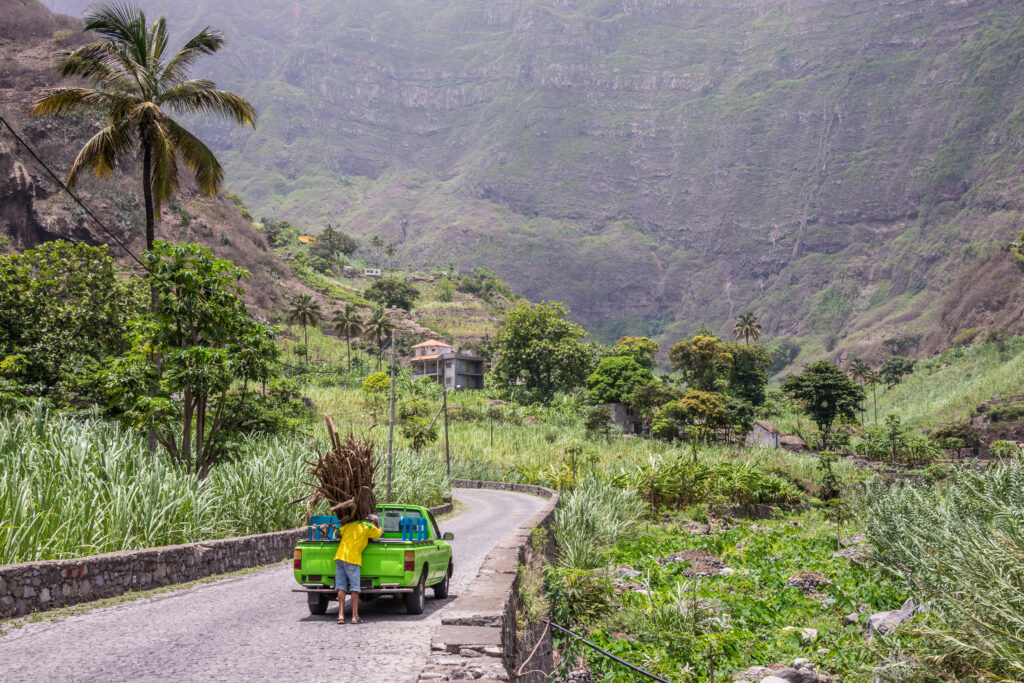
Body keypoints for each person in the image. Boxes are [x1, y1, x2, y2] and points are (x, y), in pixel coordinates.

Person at [334, 513, 382, 624]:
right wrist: (380, 528)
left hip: (340, 557)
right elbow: (378, 534)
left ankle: (340, 616)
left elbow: (337, 533)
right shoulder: (369, 527)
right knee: (355, 589)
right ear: (373, 522)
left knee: (341, 587)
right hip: (352, 559)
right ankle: (355, 617)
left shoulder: (351, 524)